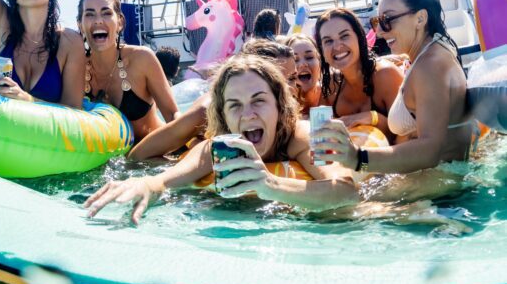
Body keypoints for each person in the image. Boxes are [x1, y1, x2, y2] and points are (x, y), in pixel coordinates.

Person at [86, 55, 358, 224]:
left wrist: (270, 185)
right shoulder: (216, 148)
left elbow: (346, 191)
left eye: (259, 101)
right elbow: (162, 180)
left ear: (279, 106)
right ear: (224, 116)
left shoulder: (303, 135)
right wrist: (144, 184)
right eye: (235, 105)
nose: (248, 114)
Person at [315, 0, 477, 175]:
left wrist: (358, 158)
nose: (381, 31)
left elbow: (431, 151)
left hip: (440, 191)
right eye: (377, 22)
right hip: (438, 181)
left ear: (420, 18)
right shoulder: (432, 55)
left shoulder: (430, 65)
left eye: (388, 20)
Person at [128, 38, 299, 161]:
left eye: (294, 77)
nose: (291, 88)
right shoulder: (206, 110)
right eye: (282, 80)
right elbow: (139, 155)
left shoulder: (295, 103)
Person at [77, 0, 179, 141]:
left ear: (120, 22)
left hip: (155, 157)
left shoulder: (141, 59)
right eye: (90, 14)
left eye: (106, 13)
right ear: (80, 25)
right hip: (107, 161)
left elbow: (172, 116)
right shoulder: (76, 68)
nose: (98, 20)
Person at [314, 8, 403, 138]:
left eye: (344, 36)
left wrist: (373, 117)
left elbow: (406, 133)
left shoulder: (385, 75)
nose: (337, 46)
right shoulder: (330, 86)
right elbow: (321, 142)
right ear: (322, 50)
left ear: (359, 38)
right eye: (328, 41)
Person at [283, 33, 322, 117]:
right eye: (295, 60)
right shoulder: (280, 101)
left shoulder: (332, 92)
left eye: (309, 57)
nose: (302, 64)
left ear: (320, 61)